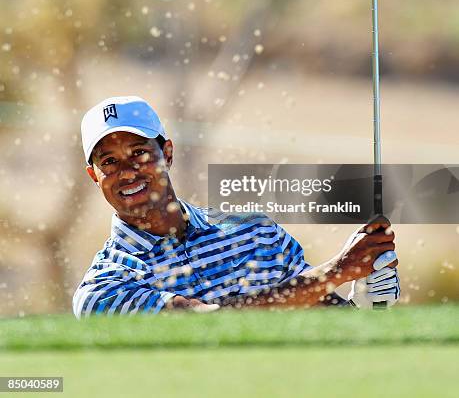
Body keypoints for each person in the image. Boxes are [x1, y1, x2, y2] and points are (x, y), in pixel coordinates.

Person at [73, 95, 400, 317]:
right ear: (93, 175)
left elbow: (328, 323)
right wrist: (337, 271)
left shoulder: (256, 233)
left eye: (139, 153)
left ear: (167, 153)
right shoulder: (103, 289)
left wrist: (367, 307)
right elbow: (206, 323)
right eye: (109, 161)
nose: (127, 172)